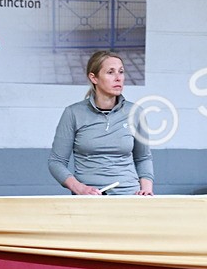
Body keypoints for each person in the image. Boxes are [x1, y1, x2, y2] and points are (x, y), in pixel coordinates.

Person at [48, 51, 154, 196]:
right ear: (94, 78)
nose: (118, 78)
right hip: (88, 199)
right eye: (110, 72)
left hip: (129, 195)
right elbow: (56, 162)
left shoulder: (136, 112)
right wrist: (79, 188)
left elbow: (143, 158)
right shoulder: (73, 113)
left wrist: (146, 190)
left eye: (121, 72)